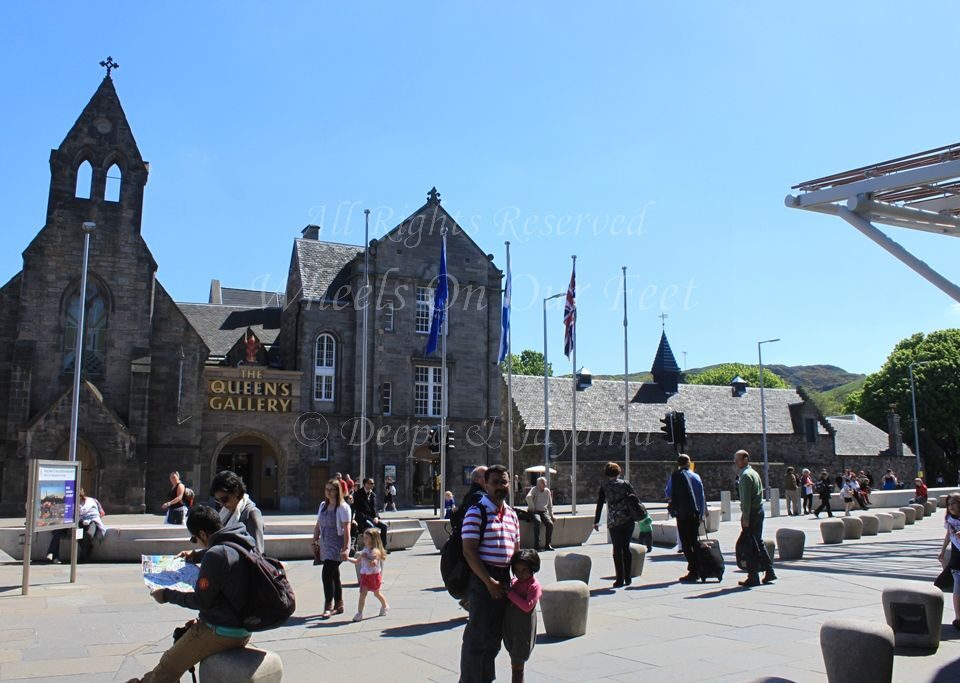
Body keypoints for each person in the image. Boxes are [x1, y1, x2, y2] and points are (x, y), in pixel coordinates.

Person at [124, 506, 255, 683]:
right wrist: (196, 556)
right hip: (242, 626)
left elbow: (201, 601)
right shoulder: (242, 541)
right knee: (182, 638)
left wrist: (167, 595)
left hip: (221, 630)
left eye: (195, 538)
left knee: (168, 666)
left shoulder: (216, 554)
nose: (196, 542)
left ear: (202, 534)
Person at [460, 464, 519, 683]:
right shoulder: (477, 512)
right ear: (485, 484)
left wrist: (518, 580)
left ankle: (485, 679)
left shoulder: (512, 515)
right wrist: (489, 581)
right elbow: (469, 551)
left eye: (504, 482)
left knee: (494, 637)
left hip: (503, 578)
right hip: (483, 578)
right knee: (477, 638)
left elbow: (516, 552)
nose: (500, 486)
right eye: (495, 482)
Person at [594, 462, 638, 588]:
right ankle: (628, 577)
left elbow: (600, 504)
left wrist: (596, 521)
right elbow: (635, 499)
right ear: (619, 472)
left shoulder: (604, 486)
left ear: (607, 474)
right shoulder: (625, 484)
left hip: (614, 521)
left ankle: (619, 578)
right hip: (628, 519)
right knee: (626, 548)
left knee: (617, 549)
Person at [735, 450, 776, 587]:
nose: (736, 462)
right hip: (759, 510)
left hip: (751, 513)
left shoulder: (746, 476)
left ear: (745, 459)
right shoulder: (754, 473)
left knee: (749, 546)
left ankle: (753, 576)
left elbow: (745, 500)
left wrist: (745, 517)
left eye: (738, 459)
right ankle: (769, 571)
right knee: (758, 542)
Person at [312, 479, 352, 618]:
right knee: (334, 575)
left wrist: (346, 548)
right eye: (326, 489)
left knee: (326, 573)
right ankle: (339, 604)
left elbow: (347, 528)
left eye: (331, 489)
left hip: (337, 544)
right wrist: (314, 540)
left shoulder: (343, 507)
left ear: (337, 491)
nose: (328, 492)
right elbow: (318, 524)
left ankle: (328, 605)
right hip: (325, 543)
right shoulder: (323, 505)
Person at [502, 549, 542, 683]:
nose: (520, 574)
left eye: (524, 570)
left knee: (518, 663)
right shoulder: (514, 583)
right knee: (514, 657)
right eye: (517, 570)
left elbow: (527, 606)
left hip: (523, 628)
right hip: (511, 626)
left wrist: (510, 594)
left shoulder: (534, 586)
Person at [665, 454, 706, 583]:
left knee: (686, 543)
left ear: (678, 463)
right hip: (695, 514)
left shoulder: (676, 476)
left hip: (682, 514)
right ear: (689, 463)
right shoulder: (696, 476)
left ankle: (693, 570)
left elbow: (668, 492)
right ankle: (698, 567)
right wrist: (702, 514)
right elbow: (701, 496)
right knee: (694, 540)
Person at [46, 488, 106, 563]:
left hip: (91, 521)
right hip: (74, 523)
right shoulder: (70, 504)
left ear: (81, 496)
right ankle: (53, 555)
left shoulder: (92, 501)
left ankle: (84, 555)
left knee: (87, 534)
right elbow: (65, 515)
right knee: (58, 530)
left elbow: (101, 513)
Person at [347, 528, 389, 622]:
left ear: (373, 539)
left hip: (373, 576)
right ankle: (359, 613)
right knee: (362, 593)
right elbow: (357, 562)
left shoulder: (375, 551)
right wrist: (347, 558)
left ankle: (385, 605)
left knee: (376, 593)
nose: (364, 540)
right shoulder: (365, 550)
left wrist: (367, 558)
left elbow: (373, 563)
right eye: (364, 538)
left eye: (367, 538)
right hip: (365, 575)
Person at [939, 493, 960, 630]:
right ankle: (958, 617)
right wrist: (942, 549)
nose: (951, 506)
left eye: (954, 503)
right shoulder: (949, 518)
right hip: (956, 556)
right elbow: (948, 534)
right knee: (957, 585)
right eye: (949, 504)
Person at [354, 477, 389, 548]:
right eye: (371, 483)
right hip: (362, 519)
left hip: (372, 518)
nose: (373, 485)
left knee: (384, 527)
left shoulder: (373, 495)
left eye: (373, 484)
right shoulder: (358, 494)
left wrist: (376, 517)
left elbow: (375, 508)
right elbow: (358, 509)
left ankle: (382, 548)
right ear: (365, 484)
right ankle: (372, 547)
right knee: (371, 527)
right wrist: (370, 519)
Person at [525, 477, 555, 551]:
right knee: (537, 521)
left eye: (545, 483)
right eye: (543, 483)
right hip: (535, 511)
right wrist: (532, 506)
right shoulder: (534, 489)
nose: (545, 484)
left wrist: (551, 515)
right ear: (538, 484)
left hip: (543, 511)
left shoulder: (547, 491)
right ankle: (537, 545)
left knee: (550, 524)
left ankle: (548, 544)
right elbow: (528, 497)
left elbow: (550, 505)